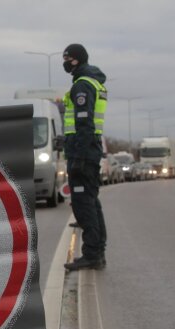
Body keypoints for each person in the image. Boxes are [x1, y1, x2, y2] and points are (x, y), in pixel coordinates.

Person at [61, 43, 107, 271]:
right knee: (91, 201)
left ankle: (92, 254)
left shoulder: (82, 85)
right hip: (88, 151)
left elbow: (84, 123)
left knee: (83, 204)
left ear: (77, 60)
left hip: (83, 153)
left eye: (67, 58)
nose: (65, 62)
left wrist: (78, 156)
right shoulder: (92, 82)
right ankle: (98, 252)